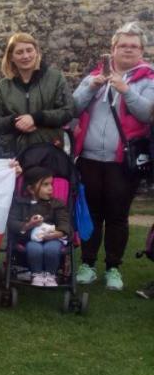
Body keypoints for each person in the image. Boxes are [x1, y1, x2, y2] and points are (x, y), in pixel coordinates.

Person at [72, 22, 154, 291]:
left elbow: (146, 114)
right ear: (113, 49)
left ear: (142, 51)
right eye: (123, 45)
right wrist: (92, 87)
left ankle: (113, 268)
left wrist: (125, 90)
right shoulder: (94, 75)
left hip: (123, 160)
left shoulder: (148, 78)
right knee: (92, 212)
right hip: (90, 157)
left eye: (134, 46)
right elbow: (73, 106)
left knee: (117, 215)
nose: (128, 50)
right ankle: (88, 264)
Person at [0, 32, 73, 157]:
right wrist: (15, 121)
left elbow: (68, 111)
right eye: (19, 52)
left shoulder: (56, 78)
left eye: (29, 50)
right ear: (11, 57)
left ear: (36, 52)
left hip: (50, 150)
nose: (25, 56)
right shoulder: (4, 86)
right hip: (14, 154)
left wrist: (36, 118)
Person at [8, 167, 71, 288]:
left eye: (51, 184)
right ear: (31, 189)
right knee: (34, 248)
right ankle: (36, 274)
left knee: (52, 249)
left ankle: (50, 275)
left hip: (52, 237)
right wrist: (28, 225)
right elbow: (12, 222)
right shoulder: (20, 203)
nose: (51, 188)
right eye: (45, 184)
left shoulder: (57, 204)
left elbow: (64, 221)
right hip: (29, 239)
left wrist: (59, 233)